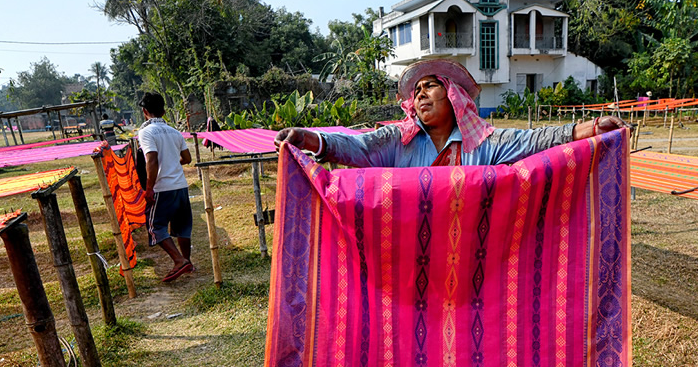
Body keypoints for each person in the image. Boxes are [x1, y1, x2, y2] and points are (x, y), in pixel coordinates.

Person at [275, 59, 626, 167]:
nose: (420, 94)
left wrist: (591, 128)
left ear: (454, 95)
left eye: (430, 86)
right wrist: (308, 138)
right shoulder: (398, 141)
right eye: (416, 91)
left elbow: (534, 140)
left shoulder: (486, 144)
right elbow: (358, 146)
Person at [137, 92, 194, 282]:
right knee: (183, 227)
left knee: (155, 225)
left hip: (162, 188)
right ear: (163, 111)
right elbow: (187, 159)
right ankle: (188, 262)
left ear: (145, 112)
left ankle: (179, 260)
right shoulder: (174, 132)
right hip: (180, 186)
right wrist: (171, 161)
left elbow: (151, 160)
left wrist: (149, 188)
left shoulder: (145, 132)